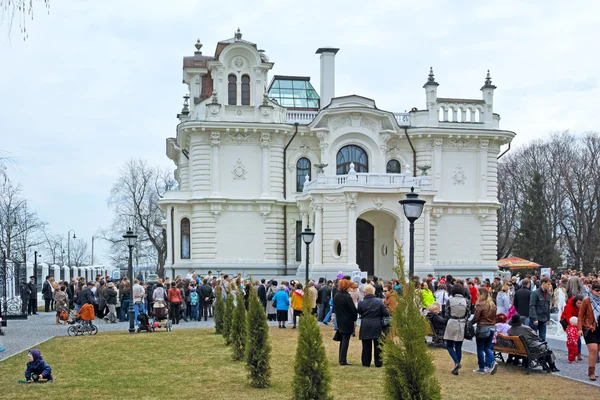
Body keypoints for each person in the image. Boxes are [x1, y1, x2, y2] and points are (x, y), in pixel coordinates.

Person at [357, 284, 389, 367]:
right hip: (377, 324)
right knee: (378, 346)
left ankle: (366, 362)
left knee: (366, 346)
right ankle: (378, 362)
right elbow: (386, 313)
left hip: (365, 325)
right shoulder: (379, 301)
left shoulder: (361, 303)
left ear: (365, 293)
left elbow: (359, 312)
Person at [577, 281, 600, 381]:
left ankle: (593, 371)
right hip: (589, 327)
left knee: (597, 351)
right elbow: (580, 316)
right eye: (597, 290)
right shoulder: (587, 301)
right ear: (592, 290)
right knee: (593, 350)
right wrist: (579, 329)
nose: (599, 292)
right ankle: (591, 373)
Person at [444, 283, 469, 375]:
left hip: (452, 322)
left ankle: (456, 362)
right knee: (459, 346)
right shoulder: (466, 301)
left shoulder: (450, 300)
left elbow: (446, 313)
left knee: (449, 345)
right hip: (462, 323)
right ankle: (456, 366)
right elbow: (468, 313)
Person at [472, 287, 498, 374]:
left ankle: (481, 368)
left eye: (478, 293)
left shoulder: (480, 304)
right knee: (487, 347)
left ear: (481, 294)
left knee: (480, 348)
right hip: (492, 327)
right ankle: (493, 361)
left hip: (483, 327)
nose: (476, 295)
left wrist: (470, 323)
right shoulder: (492, 304)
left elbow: (476, 317)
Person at [334, 279, 358, 365]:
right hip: (347, 320)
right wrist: (354, 318)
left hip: (340, 319)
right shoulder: (347, 297)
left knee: (342, 340)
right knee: (345, 340)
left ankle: (341, 358)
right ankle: (343, 360)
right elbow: (353, 310)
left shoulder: (337, 295)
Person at [561, 295, 584, 361]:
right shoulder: (570, 305)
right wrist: (572, 326)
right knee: (571, 338)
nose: (580, 305)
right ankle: (572, 353)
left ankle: (578, 352)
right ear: (575, 303)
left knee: (578, 337)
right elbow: (568, 316)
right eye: (578, 303)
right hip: (569, 321)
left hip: (577, 320)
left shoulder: (584, 305)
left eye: (581, 303)